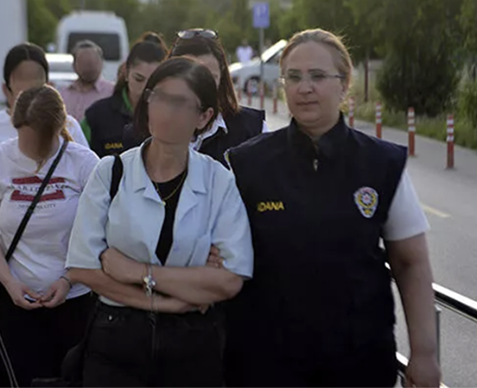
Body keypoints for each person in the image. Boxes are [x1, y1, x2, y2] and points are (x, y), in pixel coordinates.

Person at [224, 29, 441, 388]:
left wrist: (425, 353)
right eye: (294, 77)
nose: (305, 87)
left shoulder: (382, 164)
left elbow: (410, 262)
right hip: (266, 363)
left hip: (359, 362)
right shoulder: (247, 164)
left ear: (344, 84)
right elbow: (222, 260)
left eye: (318, 76)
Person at [65, 57, 254, 388]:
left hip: (193, 343)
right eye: (159, 97)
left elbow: (229, 279)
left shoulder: (218, 180)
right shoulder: (111, 172)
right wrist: (165, 301)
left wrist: (137, 272)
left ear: (204, 116)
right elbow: (82, 269)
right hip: (116, 338)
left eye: (179, 103)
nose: (166, 111)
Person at [0, 85, 100, 387]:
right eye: (23, 139)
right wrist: (9, 282)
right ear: (15, 124)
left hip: (76, 299)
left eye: (39, 142)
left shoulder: (85, 164)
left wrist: (69, 279)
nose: (30, 150)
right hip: (15, 300)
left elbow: (99, 234)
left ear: (60, 127)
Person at [0, 43, 87, 297]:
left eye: (37, 84)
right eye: (22, 86)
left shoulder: (70, 128)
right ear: (6, 88)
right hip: (4, 262)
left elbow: (91, 198)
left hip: (67, 279)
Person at [125, 29, 268, 168]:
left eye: (209, 79)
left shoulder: (252, 129)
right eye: (186, 80)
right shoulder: (140, 133)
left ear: (222, 75)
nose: (198, 90)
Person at [83, 32, 167, 157]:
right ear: (126, 73)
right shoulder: (97, 115)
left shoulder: (171, 117)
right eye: (139, 79)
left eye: (153, 81)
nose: (145, 87)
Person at [58, 40, 114, 121]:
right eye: (84, 62)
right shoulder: (63, 94)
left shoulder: (112, 93)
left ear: (102, 63)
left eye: (93, 62)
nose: (89, 67)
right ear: (74, 65)